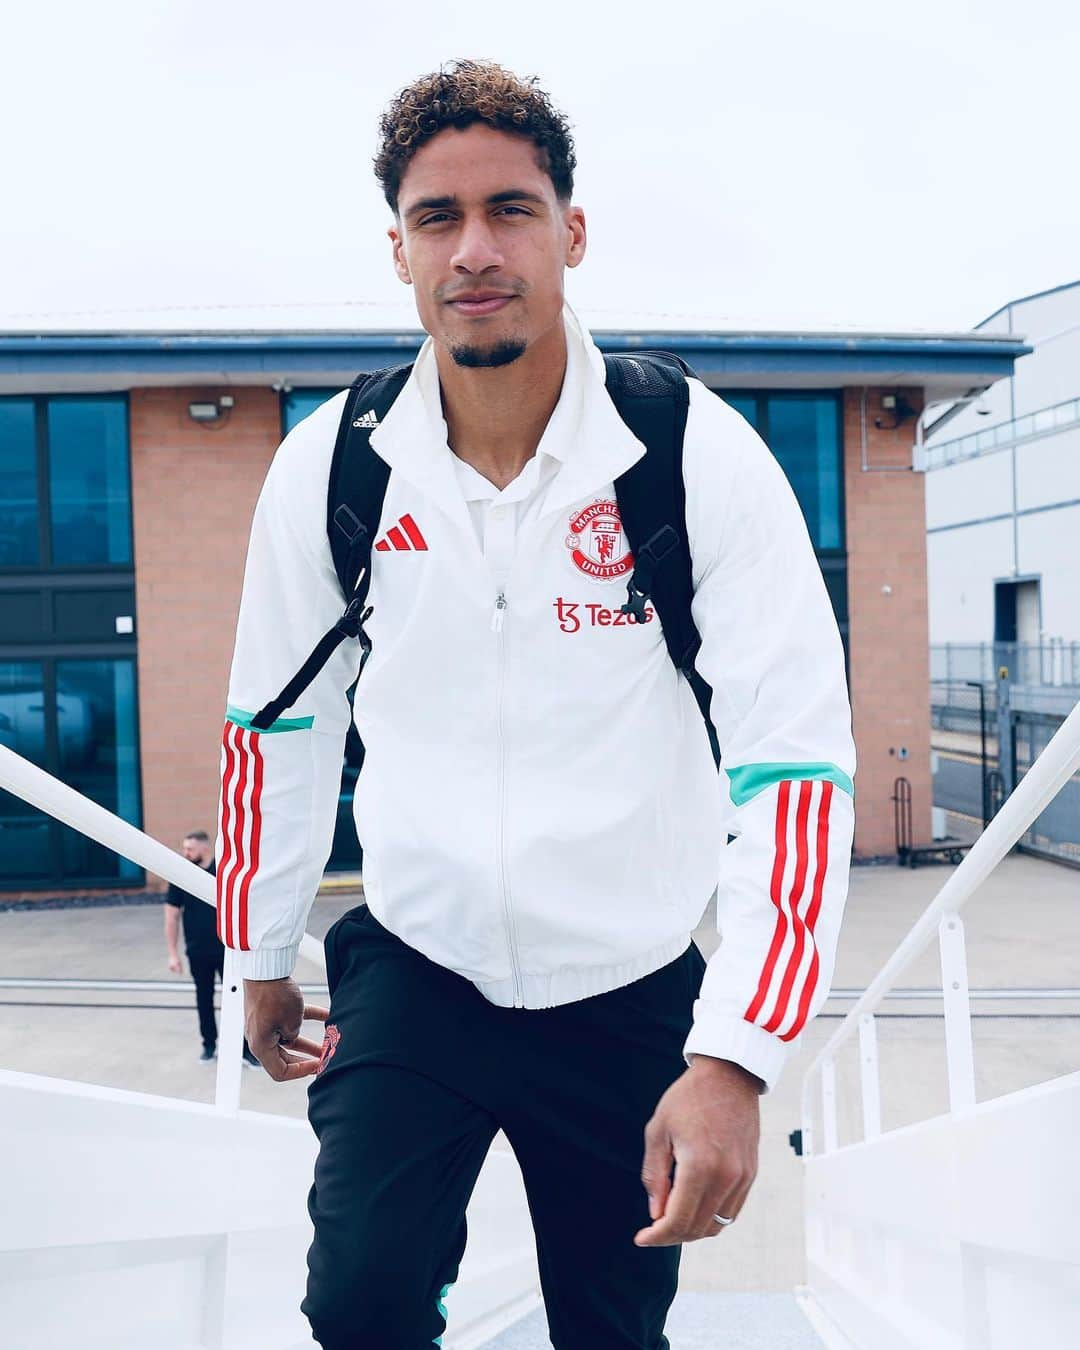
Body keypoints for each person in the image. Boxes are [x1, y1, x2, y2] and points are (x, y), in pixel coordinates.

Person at [216, 60, 856, 1349]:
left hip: (627, 991)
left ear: (571, 230)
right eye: (437, 218)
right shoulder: (334, 468)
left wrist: (733, 1057)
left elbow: (794, 770)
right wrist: (258, 950)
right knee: (363, 1303)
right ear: (397, 250)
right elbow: (276, 726)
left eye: (510, 209)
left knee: (612, 1333)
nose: (476, 249)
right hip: (418, 965)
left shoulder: (691, 457)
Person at [164, 829, 259, 1066]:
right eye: (185, 848)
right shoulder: (182, 874)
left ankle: (244, 1050)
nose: (185, 853)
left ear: (205, 849)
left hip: (228, 950)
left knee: (238, 1001)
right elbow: (171, 917)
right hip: (197, 951)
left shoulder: (224, 872)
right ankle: (209, 1045)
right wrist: (173, 954)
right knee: (203, 999)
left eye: (190, 849)